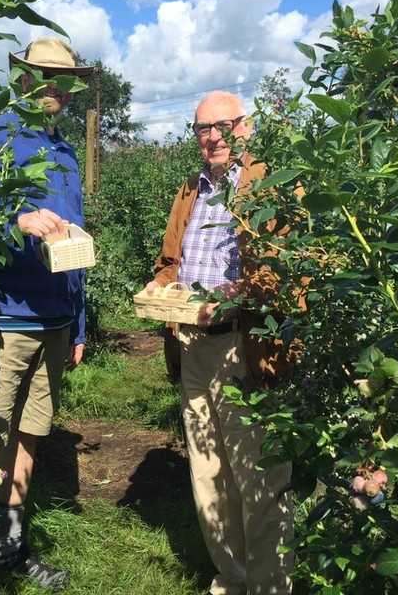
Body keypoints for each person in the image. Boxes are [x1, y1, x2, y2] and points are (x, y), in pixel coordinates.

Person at [0, 37, 93, 595]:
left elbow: (74, 245)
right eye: (43, 74)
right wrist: (18, 221)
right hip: (3, 320)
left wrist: (78, 323)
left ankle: (10, 547)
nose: (55, 85)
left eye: (65, 78)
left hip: (55, 319)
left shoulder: (66, 151)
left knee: (29, 435)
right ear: (23, 77)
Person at [144, 91, 295, 595]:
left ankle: (269, 585)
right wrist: (158, 286)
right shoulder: (190, 190)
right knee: (208, 475)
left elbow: (289, 270)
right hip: (191, 345)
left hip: (242, 346)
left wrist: (243, 290)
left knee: (258, 478)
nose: (211, 137)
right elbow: (171, 263)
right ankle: (230, 580)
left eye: (222, 125)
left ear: (245, 128)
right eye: (202, 128)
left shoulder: (268, 184)